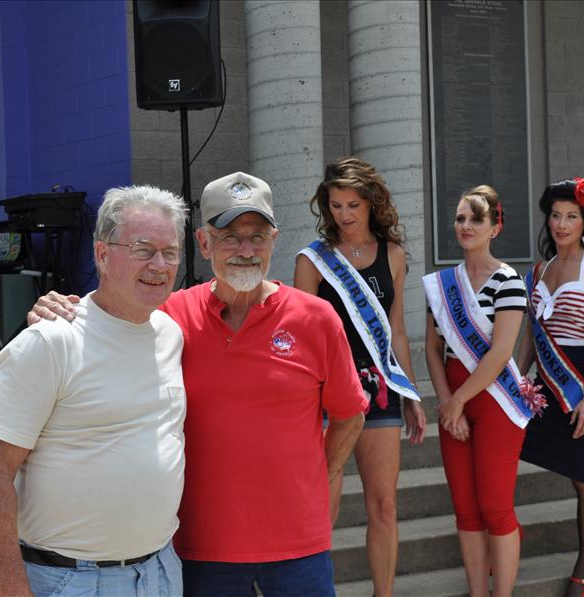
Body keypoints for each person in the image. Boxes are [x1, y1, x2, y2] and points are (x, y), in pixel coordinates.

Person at [28, 171, 368, 597]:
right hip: (200, 551)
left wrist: (318, 481)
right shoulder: (167, 316)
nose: (246, 250)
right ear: (204, 243)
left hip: (299, 549)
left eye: (257, 237)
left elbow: (349, 414)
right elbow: (111, 312)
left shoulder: (316, 318)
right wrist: (58, 306)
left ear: (274, 241)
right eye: (230, 238)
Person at [0, 185, 188, 596]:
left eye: (170, 252)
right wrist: (9, 583)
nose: (159, 265)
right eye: (143, 249)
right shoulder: (50, 341)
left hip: (161, 572)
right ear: (102, 254)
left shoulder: (171, 334)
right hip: (71, 581)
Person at [294, 156, 427, 596]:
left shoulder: (394, 255)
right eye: (335, 206)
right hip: (328, 394)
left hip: (381, 390)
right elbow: (302, 335)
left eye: (353, 205)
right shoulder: (313, 261)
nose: (344, 215)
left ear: (372, 202)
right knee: (322, 512)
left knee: (384, 506)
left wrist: (412, 394)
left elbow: (398, 329)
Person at [423, 185, 541, 597]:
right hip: (453, 399)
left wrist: (457, 402)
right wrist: (446, 402)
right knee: (466, 509)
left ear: (495, 227)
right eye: (460, 218)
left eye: (476, 219)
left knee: (495, 506)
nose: (466, 226)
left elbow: (502, 352)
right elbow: (433, 349)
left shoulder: (508, 281)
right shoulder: (442, 285)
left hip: (494, 402)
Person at [516, 178, 584, 597]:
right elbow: (531, 334)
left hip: (582, 384)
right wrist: (517, 379)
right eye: (555, 215)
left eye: (571, 216)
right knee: (504, 454)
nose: (561, 224)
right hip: (544, 384)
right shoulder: (538, 271)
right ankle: (505, 535)